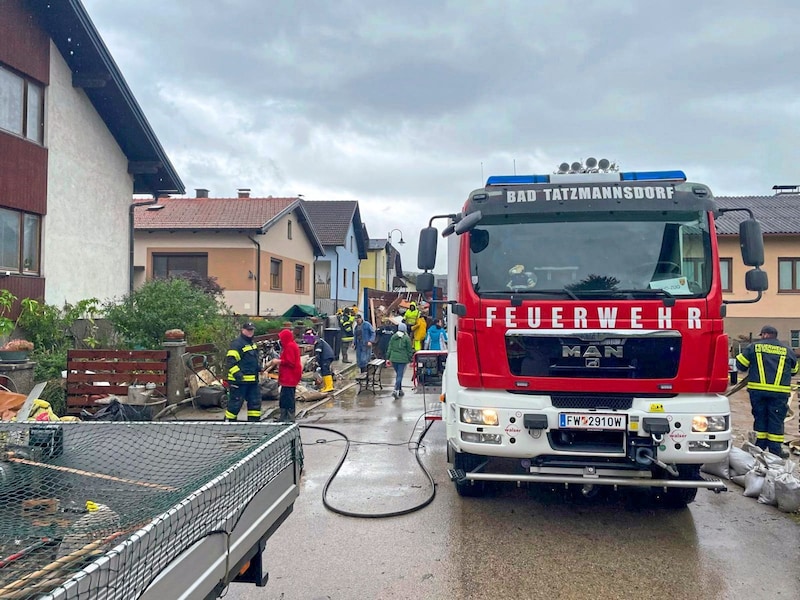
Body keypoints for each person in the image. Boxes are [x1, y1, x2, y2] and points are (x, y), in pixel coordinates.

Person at [736, 325, 798, 457]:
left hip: (757, 392)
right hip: (779, 393)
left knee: (760, 418)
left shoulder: (754, 347)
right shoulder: (787, 350)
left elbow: (740, 364)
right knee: (776, 420)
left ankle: (759, 447)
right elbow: (794, 371)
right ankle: (776, 451)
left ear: (764, 334)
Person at [225, 322, 262, 422]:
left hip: (252, 381)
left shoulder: (252, 344)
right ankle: (229, 423)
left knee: (255, 403)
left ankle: (254, 424)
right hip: (239, 382)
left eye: (252, 330)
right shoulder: (237, 344)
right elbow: (230, 361)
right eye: (248, 330)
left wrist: (258, 367)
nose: (250, 332)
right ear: (243, 330)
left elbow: (252, 359)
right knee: (235, 404)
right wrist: (238, 374)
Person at [271, 328, 303, 422]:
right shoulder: (290, 345)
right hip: (289, 376)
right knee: (285, 397)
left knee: (287, 397)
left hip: (290, 377)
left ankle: (288, 417)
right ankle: (284, 416)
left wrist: (278, 361)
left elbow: (290, 362)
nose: (280, 340)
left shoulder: (289, 346)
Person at [386, 323, 414, 398]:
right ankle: (395, 390)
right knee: (399, 375)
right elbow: (409, 350)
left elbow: (389, 347)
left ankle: (400, 390)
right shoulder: (406, 338)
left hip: (394, 359)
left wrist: (388, 357)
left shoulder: (393, 337)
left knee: (398, 375)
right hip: (402, 359)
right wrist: (410, 358)